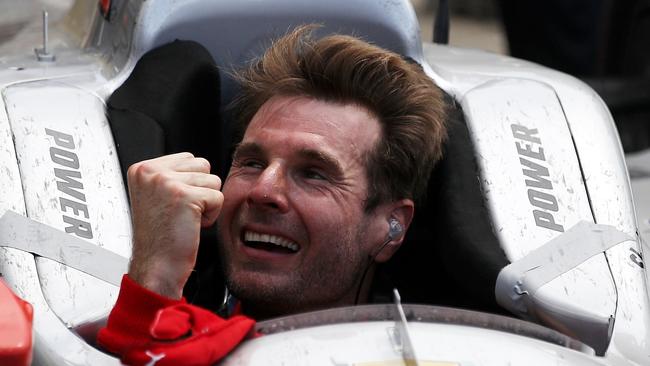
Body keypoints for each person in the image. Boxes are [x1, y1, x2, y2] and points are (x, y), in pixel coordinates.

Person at [98, 25, 447, 365]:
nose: (263, 191)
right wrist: (156, 280)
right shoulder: (147, 293)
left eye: (313, 173)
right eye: (251, 162)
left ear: (391, 228)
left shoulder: (443, 354)